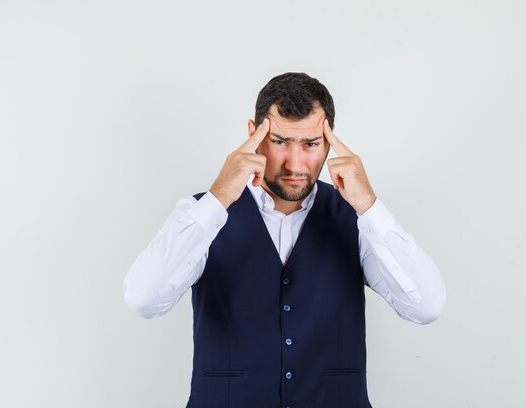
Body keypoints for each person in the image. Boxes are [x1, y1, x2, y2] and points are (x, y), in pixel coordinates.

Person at [123, 72, 446, 408]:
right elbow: (144, 300)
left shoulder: (357, 217)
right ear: (254, 134)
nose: (295, 163)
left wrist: (369, 206)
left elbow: (426, 307)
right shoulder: (200, 213)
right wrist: (219, 197)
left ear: (330, 142)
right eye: (279, 141)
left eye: (310, 144)